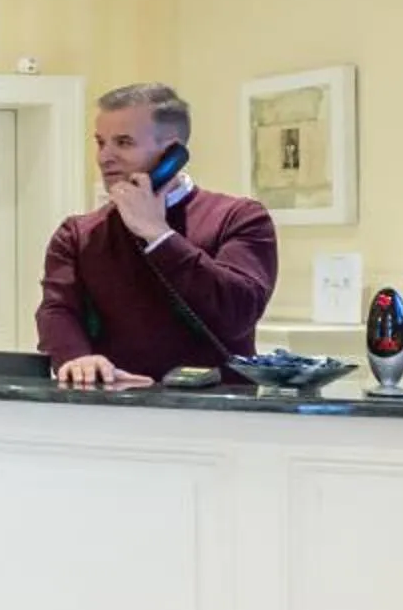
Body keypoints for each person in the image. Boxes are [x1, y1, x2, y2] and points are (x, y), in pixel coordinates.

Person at [35, 82, 278, 389]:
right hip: (113, 403)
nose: (104, 157)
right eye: (100, 142)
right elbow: (57, 310)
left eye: (123, 142)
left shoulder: (240, 217)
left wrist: (159, 235)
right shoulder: (78, 234)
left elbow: (238, 313)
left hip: (217, 406)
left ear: (171, 152)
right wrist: (76, 358)